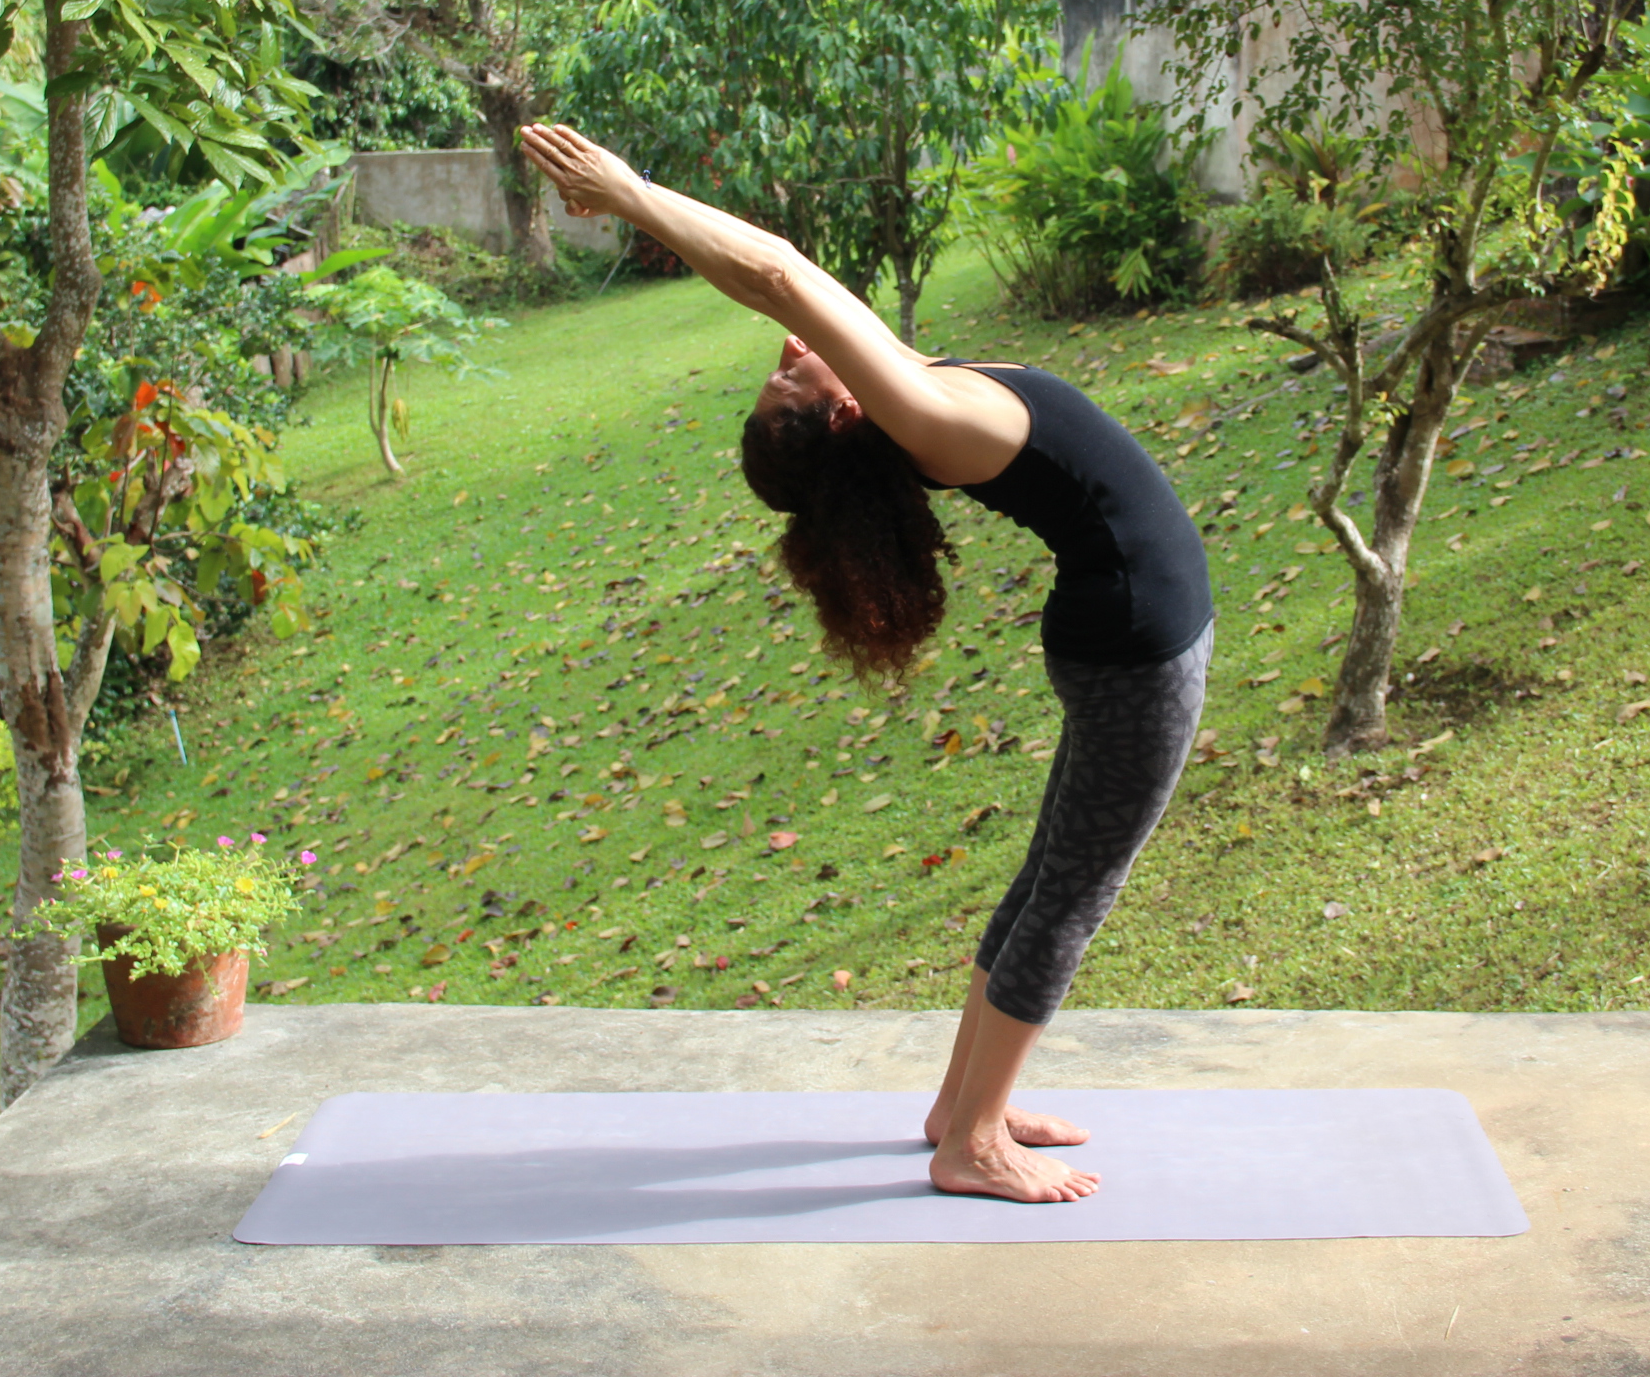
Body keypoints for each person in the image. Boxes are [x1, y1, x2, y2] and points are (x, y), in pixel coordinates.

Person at [518, 123, 1214, 1204]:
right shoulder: (924, 415)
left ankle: (962, 1108)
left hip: (1118, 634)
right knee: (1076, 892)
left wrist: (640, 199)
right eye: (786, 379)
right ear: (846, 412)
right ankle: (971, 1144)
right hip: (1136, 653)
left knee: (1052, 872)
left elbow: (779, 278)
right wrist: (633, 195)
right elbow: (778, 277)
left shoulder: (904, 388)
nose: (787, 352)